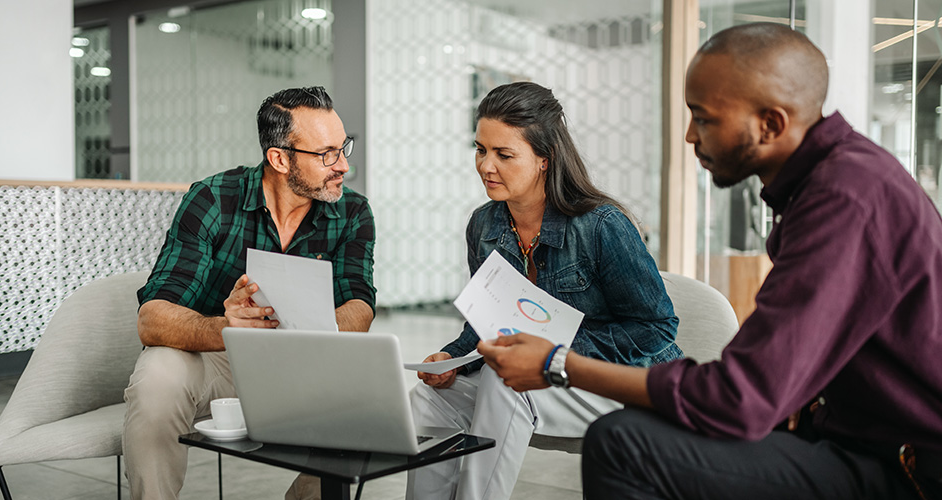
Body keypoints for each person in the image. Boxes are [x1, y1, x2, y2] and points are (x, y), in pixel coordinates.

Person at [478, 23, 942, 500]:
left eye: (704, 118)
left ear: (772, 124)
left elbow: (739, 398)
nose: (689, 135)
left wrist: (559, 363)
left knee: (623, 444)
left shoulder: (846, 200)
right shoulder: (831, 184)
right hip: (841, 433)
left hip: (903, 467)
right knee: (644, 425)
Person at [407, 81, 683, 500]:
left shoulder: (602, 226)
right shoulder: (483, 226)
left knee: (506, 383)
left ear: (544, 160)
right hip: (549, 379)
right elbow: (488, 321)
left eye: (504, 154)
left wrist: (554, 353)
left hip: (621, 383)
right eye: (481, 149)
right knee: (428, 402)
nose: (485, 166)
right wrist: (452, 357)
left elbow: (657, 329)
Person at [123, 86, 376, 500]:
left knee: (372, 397)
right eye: (327, 154)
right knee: (158, 374)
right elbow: (152, 319)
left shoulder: (352, 211)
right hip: (218, 360)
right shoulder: (212, 199)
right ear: (279, 158)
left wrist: (307, 326)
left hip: (305, 360)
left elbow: (360, 307)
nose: (344, 165)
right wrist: (228, 326)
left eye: (343, 147)